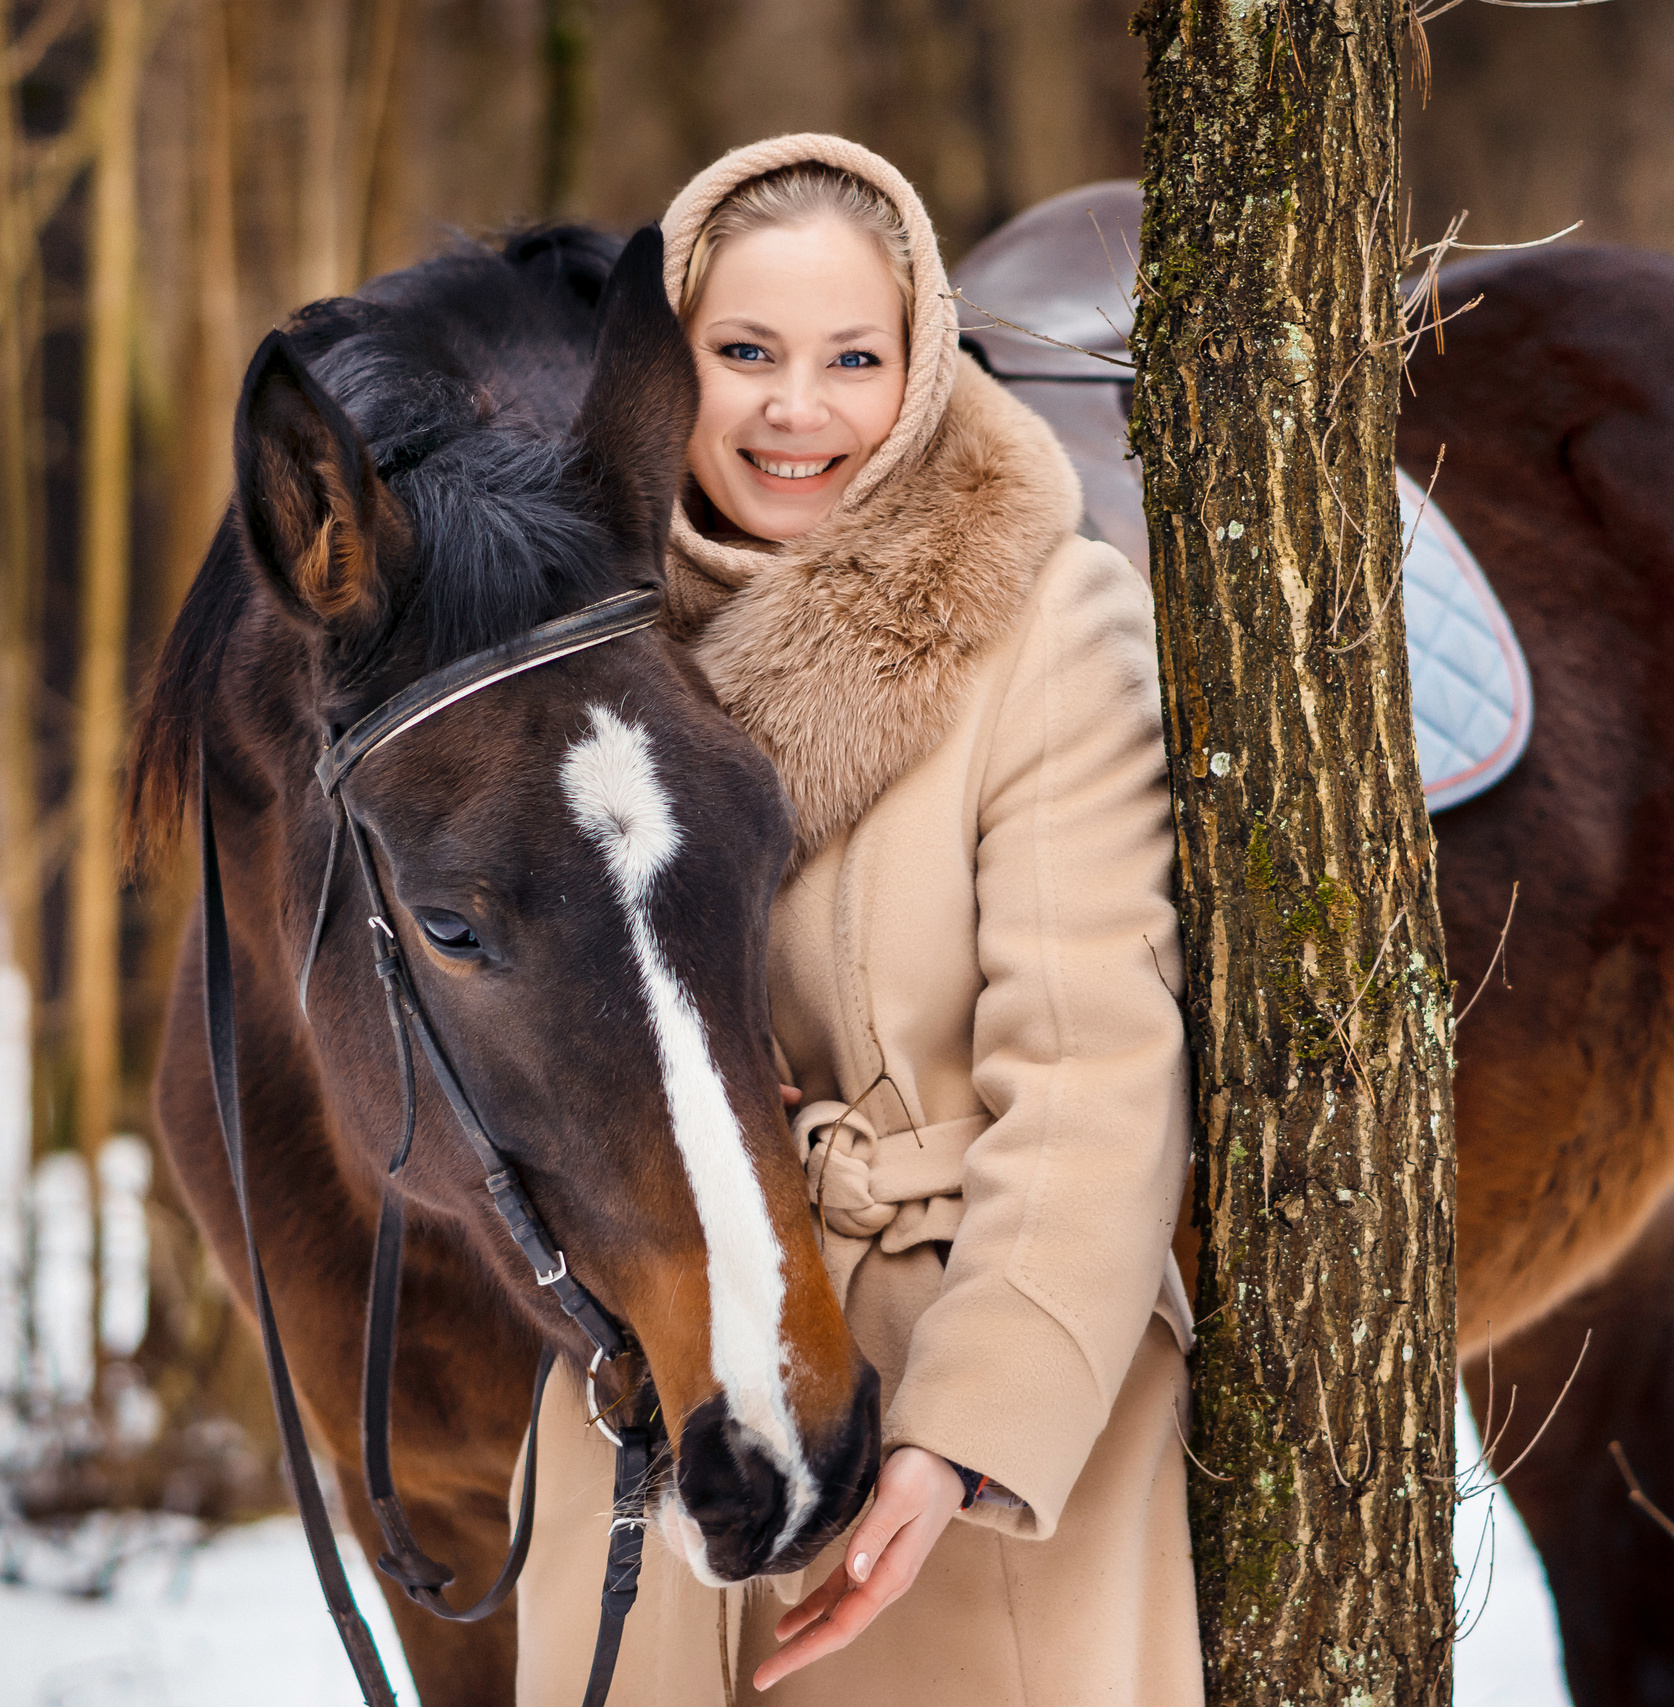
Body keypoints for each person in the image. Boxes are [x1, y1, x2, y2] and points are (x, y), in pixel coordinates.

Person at [515, 133, 1200, 1706]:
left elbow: (1097, 1068)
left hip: (956, 1400)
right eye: (742, 353)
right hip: (664, 1395)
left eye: (853, 358)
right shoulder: (573, 647)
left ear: (925, 361)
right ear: (664, 372)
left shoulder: (1045, 624)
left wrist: (967, 1438)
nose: (796, 410)